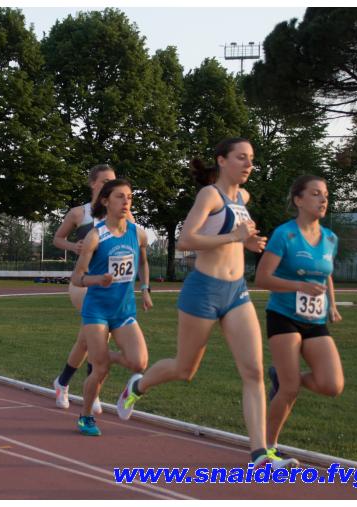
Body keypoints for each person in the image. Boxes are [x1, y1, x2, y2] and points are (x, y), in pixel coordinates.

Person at [116, 138, 294, 468]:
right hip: (203, 290)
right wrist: (234, 237)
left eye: (251, 158)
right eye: (241, 157)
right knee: (185, 369)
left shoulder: (243, 197)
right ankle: (137, 385)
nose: (248, 164)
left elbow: (233, 239)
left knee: (254, 371)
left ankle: (259, 453)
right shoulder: (210, 195)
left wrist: (248, 242)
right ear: (222, 161)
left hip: (236, 291)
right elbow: (186, 240)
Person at [254, 175, 343, 464]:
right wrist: (298, 286)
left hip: (315, 319)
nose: (323, 199)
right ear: (299, 200)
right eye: (316, 194)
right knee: (290, 390)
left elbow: (326, 273)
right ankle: (268, 448)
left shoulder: (330, 238)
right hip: (283, 316)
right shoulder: (285, 235)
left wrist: (332, 304)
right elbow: (262, 278)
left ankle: (282, 376)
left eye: (325, 194)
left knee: (332, 385)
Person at [71, 179, 151, 436]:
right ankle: (85, 416)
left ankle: (122, 382)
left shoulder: (138, 233)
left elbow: (143, 263)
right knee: (101, 369)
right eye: (120, 196)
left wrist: (145, 288)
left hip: (123, 310)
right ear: (106, 201)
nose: (126, 201)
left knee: (139, 363)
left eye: (130, 197)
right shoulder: (95, 236)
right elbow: (77, 278)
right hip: (97, 310)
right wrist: (97, 279)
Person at [51, 164, 128, 414]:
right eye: (105, 181)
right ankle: (90, 392)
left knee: (86, 340)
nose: (110, 185)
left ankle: (63, 382)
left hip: (110, 285)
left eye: (113, 181)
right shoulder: (79, 213)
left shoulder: (122, 214)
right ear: (93, 184)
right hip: (83, 283)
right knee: (98, 336)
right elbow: (57, 238)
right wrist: (74, 247)